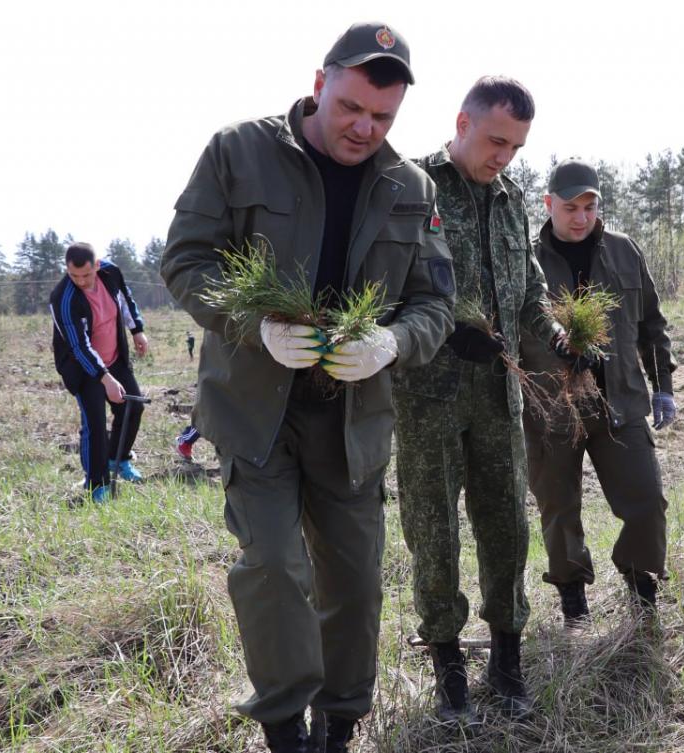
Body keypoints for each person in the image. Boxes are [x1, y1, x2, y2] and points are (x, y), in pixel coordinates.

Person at [160, 22, 454, 753]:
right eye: (351, 106)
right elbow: (187, 259)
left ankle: (340, 723)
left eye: (382, 116)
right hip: (253, 408)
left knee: (354, 581)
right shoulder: (239, 152)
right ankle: (285, 728)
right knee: (273, 566)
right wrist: (254, 323)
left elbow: (435, 302)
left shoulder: (411, 188)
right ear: (320, 84)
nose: (364, 128)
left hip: (352, 421)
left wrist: (391, 342)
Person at [392, 76, 569, 723]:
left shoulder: (511, 199)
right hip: (427, 395)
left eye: (516, 146)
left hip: (498, 393)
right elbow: (381, 285)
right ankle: (449, 671)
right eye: (496, 140)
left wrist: (559, 337)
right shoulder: (410, 187)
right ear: (462, 123)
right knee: (433, 532)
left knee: (507, 529)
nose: (504, 156)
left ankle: (507, 660)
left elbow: (528, 292)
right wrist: (443, 333)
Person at [521, 158, 675, 626]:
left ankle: (642, 589)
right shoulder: (526, 260)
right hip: (552, 409)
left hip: (620, 403)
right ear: (548, 204)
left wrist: (663, 387)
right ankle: (573, 602)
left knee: (647, 501)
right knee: (559, 509)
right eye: (570, 207)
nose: (581, 217)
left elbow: (652, 324)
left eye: (589, 207)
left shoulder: (624, 251)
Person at [49, 242, 148, 502]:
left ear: (97, 265)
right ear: (67, 270)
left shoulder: (110, 273)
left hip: (114, 357)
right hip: (83, 367)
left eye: (86, 274)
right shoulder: (63, 298)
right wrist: (105, 378)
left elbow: (125, 298)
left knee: (132, 407)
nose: (81, 281)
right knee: (94, 423)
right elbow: (78, 346)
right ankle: (97, 485)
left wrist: (136, 330)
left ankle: (118, 459)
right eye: (74, 275)